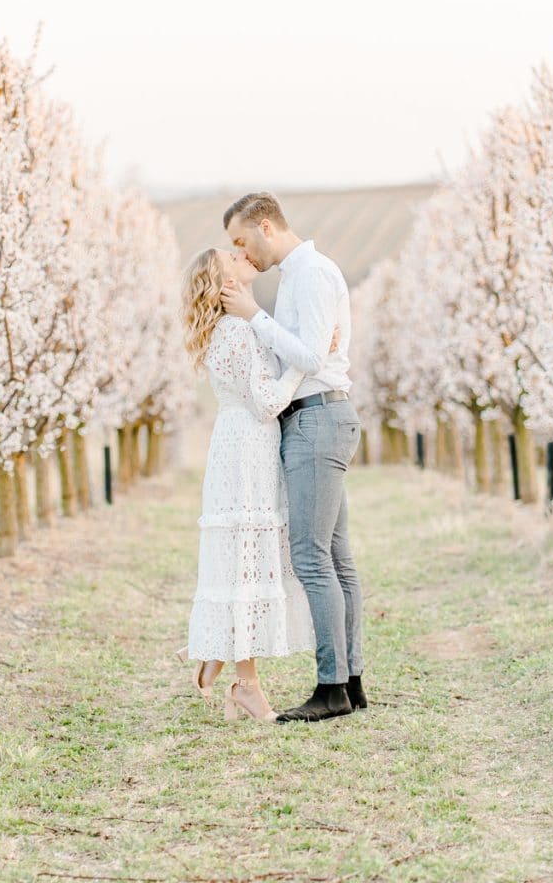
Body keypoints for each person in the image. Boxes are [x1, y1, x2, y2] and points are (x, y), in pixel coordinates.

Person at [221, 191, 367, 723]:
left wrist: (253, 315)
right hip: (323, 415)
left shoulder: (307, 274)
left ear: (265, 225)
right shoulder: (305, 274)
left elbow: (308, 355)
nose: (243, 253)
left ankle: (331, 688)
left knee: (311, 556)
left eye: (241, 240)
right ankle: (350, 682)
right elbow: (309, 349)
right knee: (337, 557)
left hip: (315, 419)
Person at [180, 246, 317, 722]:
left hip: (243, 447)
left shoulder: (235, 328)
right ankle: (246, 683)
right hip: (247, 450)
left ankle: (222, 656)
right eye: (233, 258)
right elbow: (266, 402)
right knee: (247, 560)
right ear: (224, 282)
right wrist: (305, 364)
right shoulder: (237, 332)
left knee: (247, 558)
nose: (244, 256)